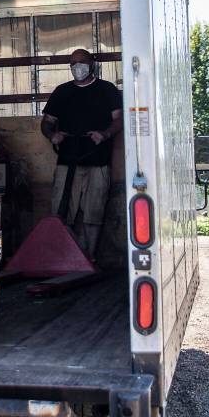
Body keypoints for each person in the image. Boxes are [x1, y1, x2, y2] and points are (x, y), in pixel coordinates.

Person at [40, 49, 123, 260]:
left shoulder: (107, 89)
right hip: (67, 161)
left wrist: (104, 135)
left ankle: (89, 257)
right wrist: (53, 136)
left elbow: (119, 120)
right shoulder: (62, 92)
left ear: (92, 64)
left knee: (93, 213)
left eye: (82, 62)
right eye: (73, 63)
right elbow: (47, 122)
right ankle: (67, 257)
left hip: (98, 161)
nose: (78, 67)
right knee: (61, 210)